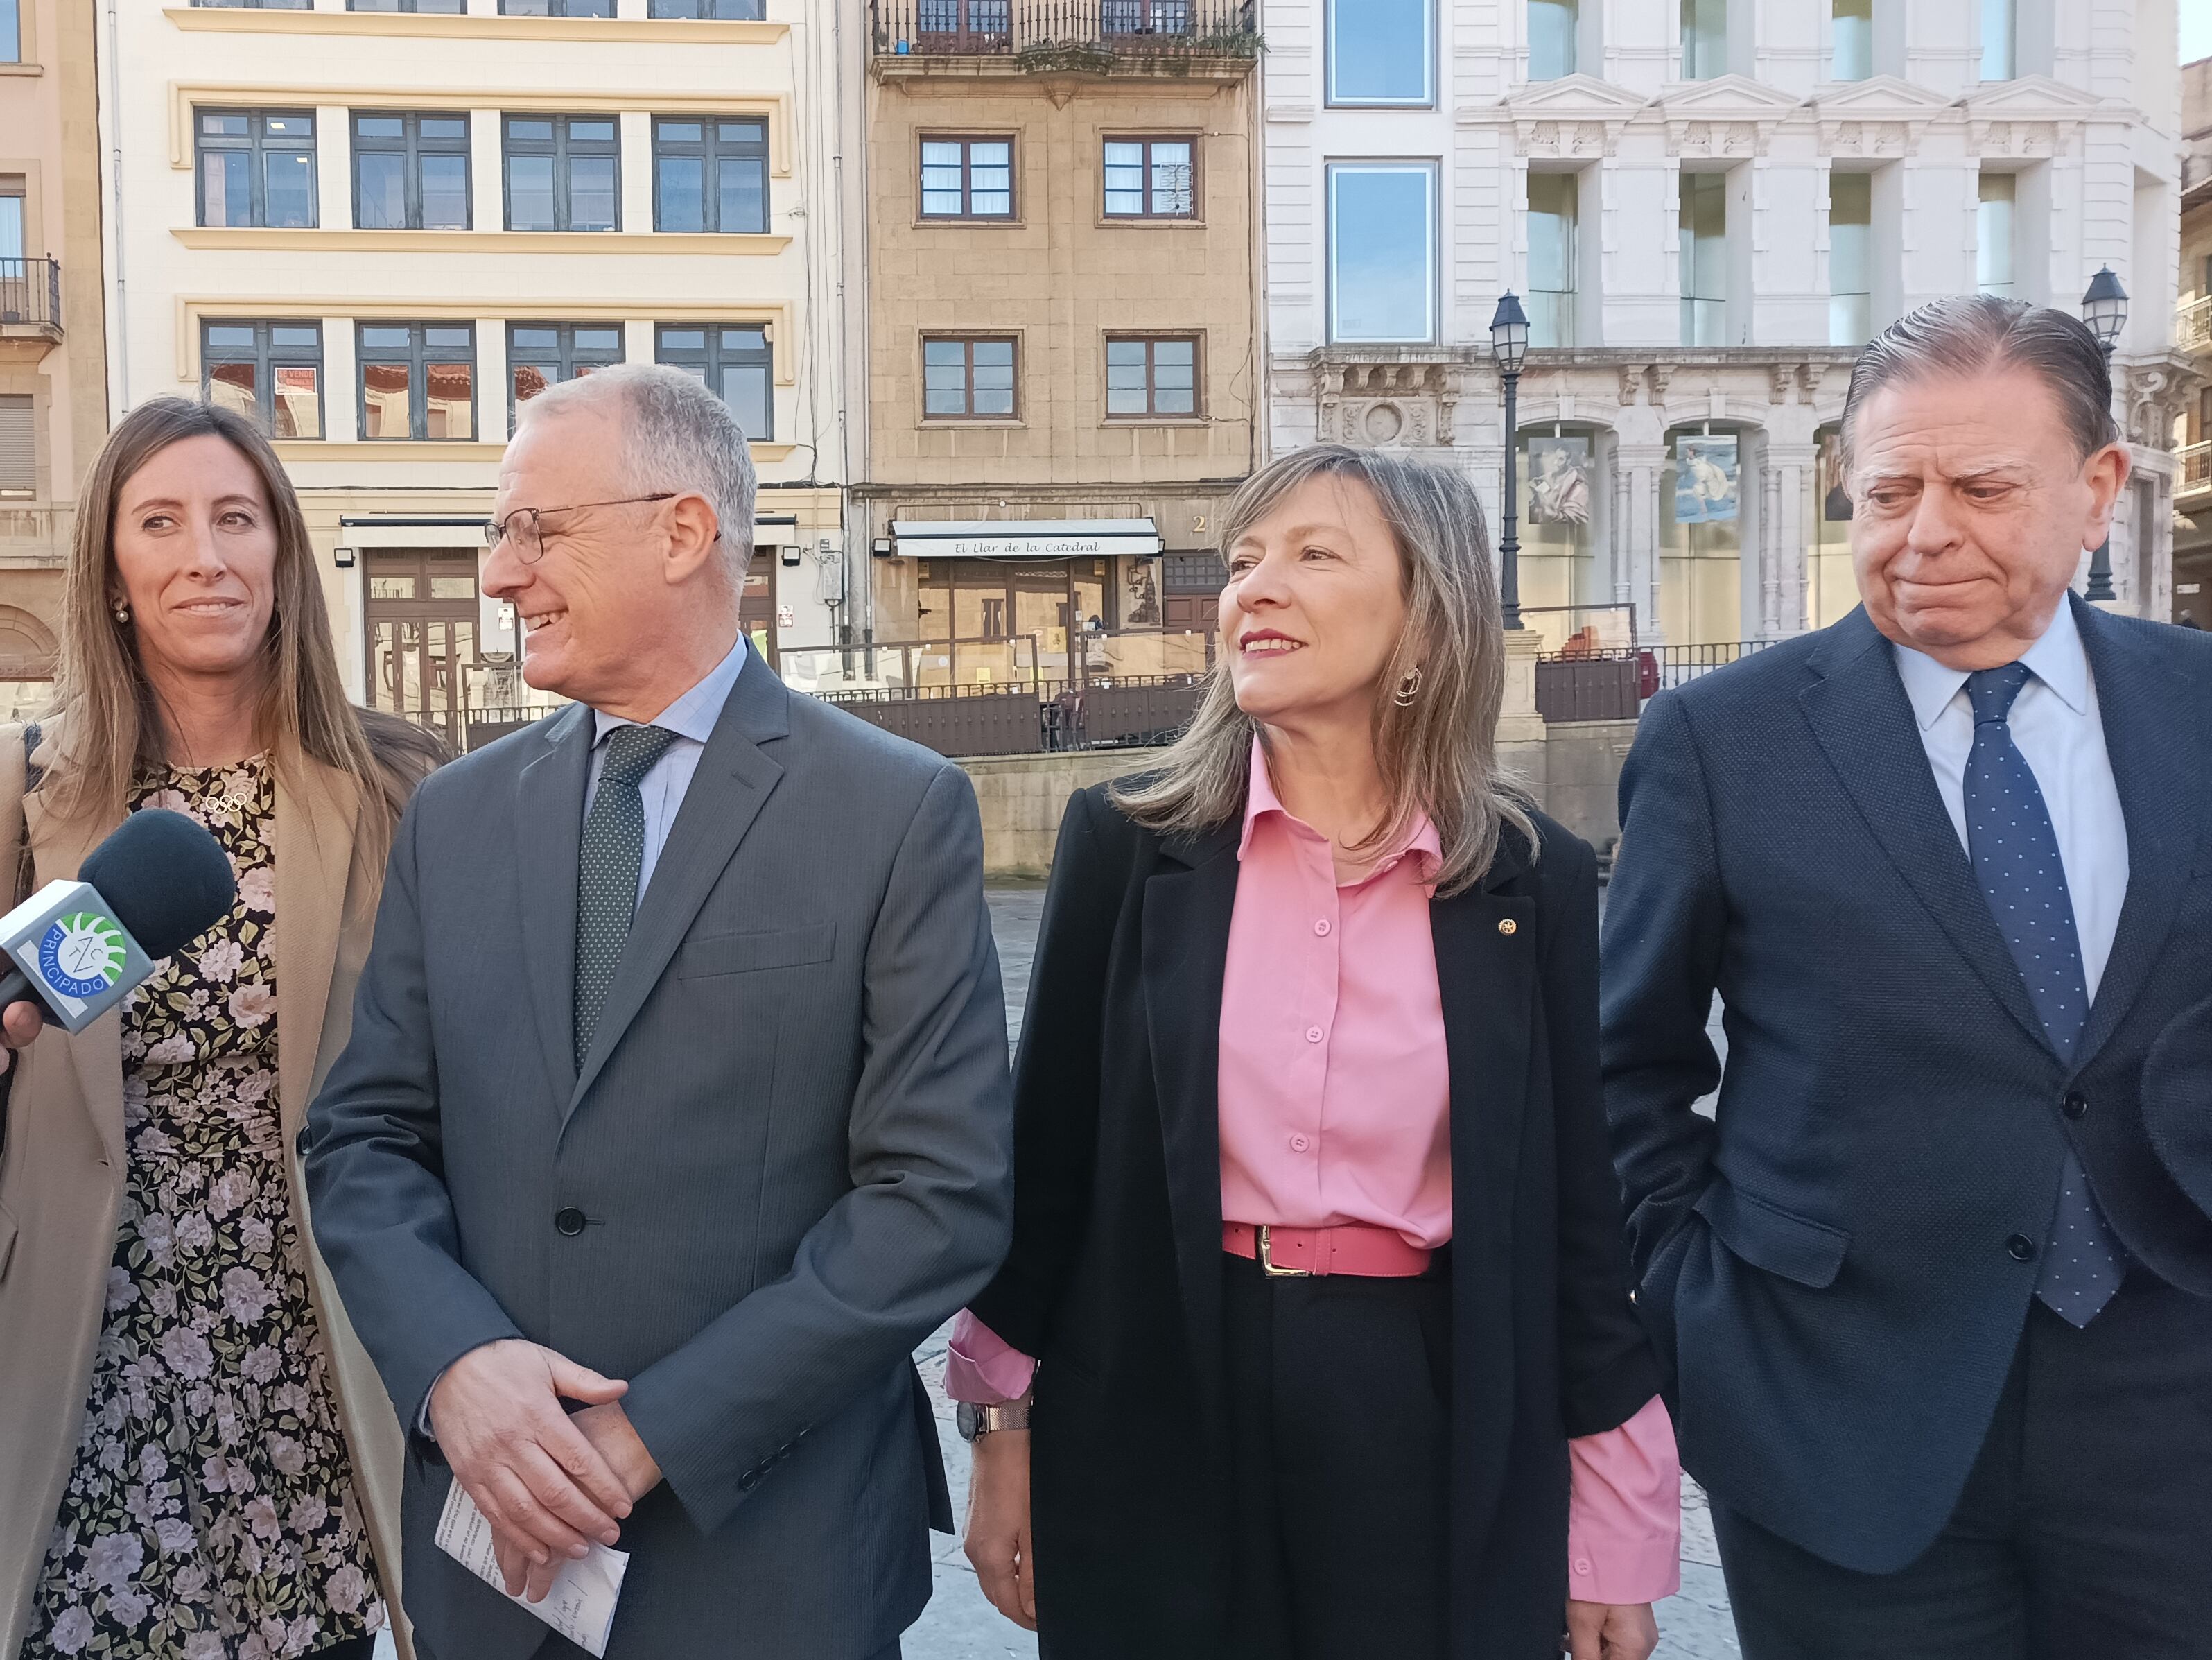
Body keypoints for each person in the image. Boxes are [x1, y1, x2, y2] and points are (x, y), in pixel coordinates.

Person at [303, 363, 1013, 1660]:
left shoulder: (894, 811)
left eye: (537, 528)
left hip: (769, 1569)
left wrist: (645, 1439)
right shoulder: (453, 819)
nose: (499, 575)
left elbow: (935, 1198)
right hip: (493, 1570)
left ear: (684, 532)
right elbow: (363, 1143)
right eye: (497, 532)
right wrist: (457, 1368)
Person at [953, 444, 1680, 1660]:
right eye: (1244, 562)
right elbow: (1047, 1174)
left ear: (1425, 613)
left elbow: (1578, 1220)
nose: (1254, 588)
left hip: (1428, 1394)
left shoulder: (1530, 876)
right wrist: (1001, 1436)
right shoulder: (1127, 844)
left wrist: (1613, 1519)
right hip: (1157, 1377)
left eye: (1313, 554)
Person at [1603, 294, 2212, 1659]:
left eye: (1983, 487)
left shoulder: (2201, 708)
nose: (1926, 530)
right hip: (1840, 1414)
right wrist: (1696, 1307)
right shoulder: (1722, 740)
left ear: (2099, 488)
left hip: (2175, 1414)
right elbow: (1622, 1065)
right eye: (1889, 491)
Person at [0, 398, 446, 1660]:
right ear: (116, 575)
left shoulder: (397, 788)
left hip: (319, 1362)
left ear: (282, 558)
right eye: (162, 522)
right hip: (86, 1362)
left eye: (236, 518)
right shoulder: (28, 790)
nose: (205, 552)